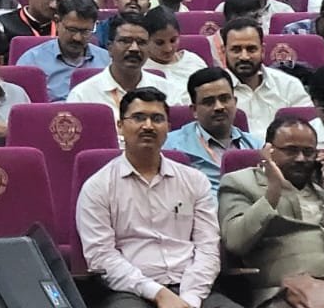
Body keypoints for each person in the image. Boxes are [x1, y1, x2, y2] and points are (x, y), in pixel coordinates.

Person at [77, 87, 236, 308]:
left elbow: (208, 247)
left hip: (194, 288)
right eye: (139, 118)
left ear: (168, 128)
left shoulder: (194, 180)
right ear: (120, 126)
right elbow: (101, 257)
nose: (148, 126)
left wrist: (189, 300)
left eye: (157, 119)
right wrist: (158, 293)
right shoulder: (98, 187)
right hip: (130, 291)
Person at [219, 115, 324, 308]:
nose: (301, 159)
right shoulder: (239, 183)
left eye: (308, 152)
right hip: (282, 294)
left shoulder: (321, 190)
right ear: (268, 151)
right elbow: (235, 242)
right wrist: (273, 191)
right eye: (291, 150)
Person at [162, 67, 262, 195]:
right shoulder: (171, 146)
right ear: (194, 110)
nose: (219, 107)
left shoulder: (256, 147)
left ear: (235, 102)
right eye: (209, 102)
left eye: (225, 99)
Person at [68, 12, 180, 121]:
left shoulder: (169, 92)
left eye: (141, 42)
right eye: (125, 41)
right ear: (110, 47)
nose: (134, 48)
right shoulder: (83, 96)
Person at [221, 18, 313, 132]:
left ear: (263, 51)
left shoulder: (288, 85)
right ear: (224, 52)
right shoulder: (212, 90)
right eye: (236, 50)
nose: (244, 56)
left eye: (251, 49)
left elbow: (309, 128)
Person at [17, 0, 111, 101]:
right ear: (57, 22)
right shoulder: (32, 61)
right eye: (72, 30)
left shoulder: (107, 61)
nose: (77, 38)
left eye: (85, 31)